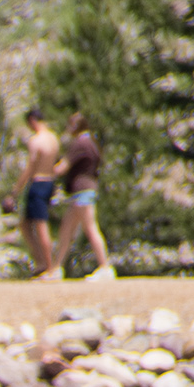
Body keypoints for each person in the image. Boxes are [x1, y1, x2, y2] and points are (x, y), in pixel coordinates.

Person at [59, 111, 115, 282]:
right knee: (66, 230)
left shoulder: (80, 143)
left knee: (90, 228)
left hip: (82, 191)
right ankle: (56, 268)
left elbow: (63, 167)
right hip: (84, 191)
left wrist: (43, 172)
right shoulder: (92, 142)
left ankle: (105, 267)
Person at [19, 107, 63, 279]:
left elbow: (30, 166)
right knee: (25, 224)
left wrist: (17, 188)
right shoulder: (54, 139)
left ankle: (49, 266)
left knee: (40, 225)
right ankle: (42, 262)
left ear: (32, 120)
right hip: (49, 182)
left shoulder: (36, 140)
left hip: (37, 183)